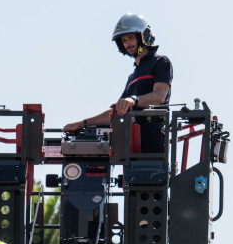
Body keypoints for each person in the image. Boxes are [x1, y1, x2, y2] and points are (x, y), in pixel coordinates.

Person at [63, 13, 173, 153]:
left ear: (143, 36)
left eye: (131, 38)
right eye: (124, 40)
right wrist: (82, 123)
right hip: (130, 144)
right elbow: (117, 111)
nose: (127, 44)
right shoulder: (132, 76)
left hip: (153, 141)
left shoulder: (160, 62)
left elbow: (159, 97)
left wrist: (133, 100)